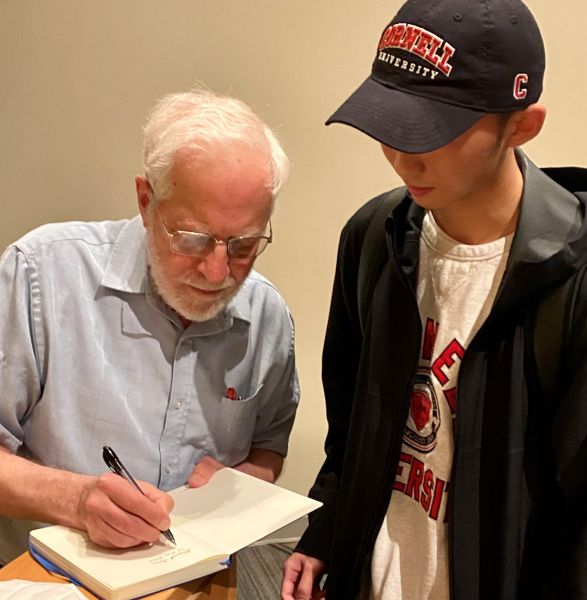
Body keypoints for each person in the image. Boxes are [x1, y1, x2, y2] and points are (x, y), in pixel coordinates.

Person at [282, 0, 587, 599]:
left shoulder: (571, 280)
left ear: (521, 126)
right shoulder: (373, 237)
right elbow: (352, 430)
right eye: (389, 125)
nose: (403, 156)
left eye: (434, 131)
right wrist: (325, 530)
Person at [0, 88, 300, 565]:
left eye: (243, 245)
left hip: (199, 584)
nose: (218, 272)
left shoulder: (266, 316)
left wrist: (244, 482)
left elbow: (267, 449)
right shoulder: (41, 275)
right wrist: (75, 500)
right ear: (146, 201)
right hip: (50, 583)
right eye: (194, 239)